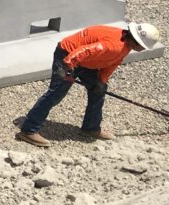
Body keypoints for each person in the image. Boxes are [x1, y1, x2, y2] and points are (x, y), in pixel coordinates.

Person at [16, 21, 161, 147]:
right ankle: (28, 130)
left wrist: (101, 81)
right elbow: (84, 50)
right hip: (67, 54)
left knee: (99, 90)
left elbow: (113, 63)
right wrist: (66, 66)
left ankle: (91, 128)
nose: (142, 49)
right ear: (135, 40)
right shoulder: (113, 45)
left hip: (84, 62)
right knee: (56, 94)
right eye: (142, 46)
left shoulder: (125, 46)